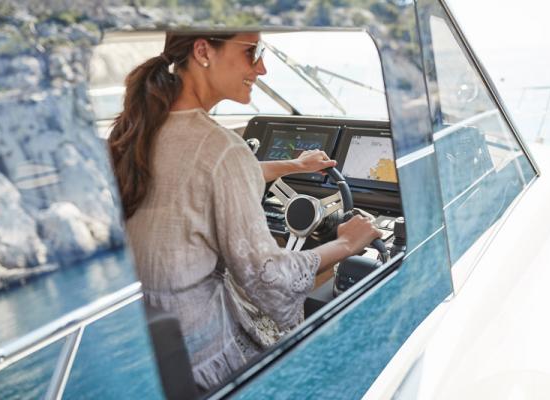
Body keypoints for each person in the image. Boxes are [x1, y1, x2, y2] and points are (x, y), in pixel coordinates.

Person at [107, 31, 381, 390]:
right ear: (203, 51)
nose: (262, 68)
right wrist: (346, 243)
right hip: (203, 359)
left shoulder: (135, 130)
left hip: (146, 346)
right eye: (253, 51)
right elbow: (268, 276)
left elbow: (202, 176)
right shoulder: (222, 147)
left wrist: (294, 166)